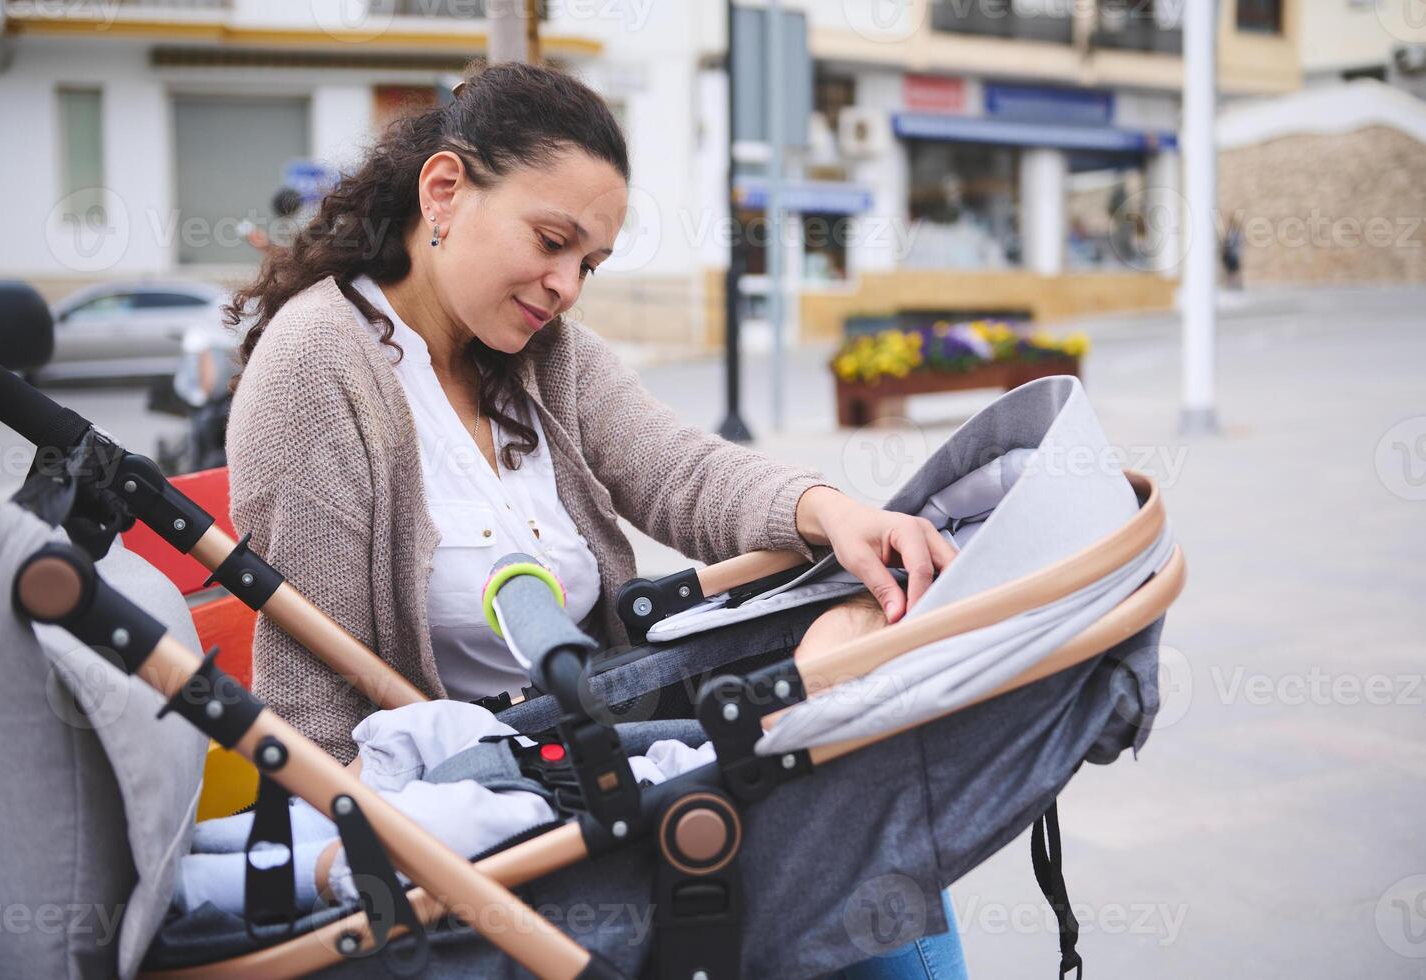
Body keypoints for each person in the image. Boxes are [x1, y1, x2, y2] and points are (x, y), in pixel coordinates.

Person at [224, 60, 962, 976]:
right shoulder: (319, 369)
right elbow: (309, 695)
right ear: (444, 190)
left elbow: (677, 470)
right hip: (501, 822)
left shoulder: (538, 353)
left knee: (865, 802)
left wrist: (831, 511)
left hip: (604, 753)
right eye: (550, 240)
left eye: (589, 263)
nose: (566, 284)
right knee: (854, 849)